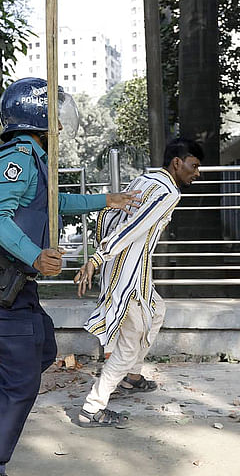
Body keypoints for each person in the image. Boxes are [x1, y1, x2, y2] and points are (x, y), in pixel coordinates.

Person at [0, 77, 141, 476]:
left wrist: (105, 200)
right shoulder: (13, 160)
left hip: (17, 283)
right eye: (54, 115)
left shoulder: (36, 160)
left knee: (44, 351)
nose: (59, 125)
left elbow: (51, 204)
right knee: (22, 381)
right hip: (0, 282)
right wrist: (35, 254)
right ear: (39, 117)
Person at [73, 137, 203, 428]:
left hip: (130, 270)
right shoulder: (169, 193)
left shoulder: (144, 179)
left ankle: (131, 377)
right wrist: (97, 258)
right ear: (177, 163)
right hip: (128, 275)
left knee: (157, 311)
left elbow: (110, 216)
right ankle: (92, 408)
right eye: (194, 166)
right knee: (130, 344)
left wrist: (102, 258)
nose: (197, 173)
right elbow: (131, 227)